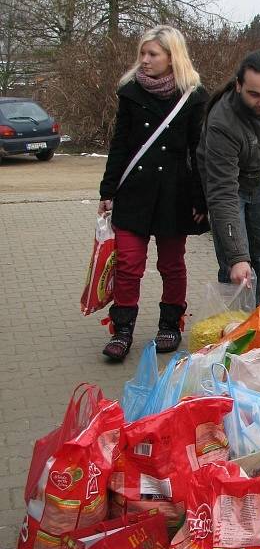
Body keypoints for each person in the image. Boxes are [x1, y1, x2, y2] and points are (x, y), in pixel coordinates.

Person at [98, 25, 208, 361]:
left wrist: (201, 199)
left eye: (152, 54)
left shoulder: (193, 96)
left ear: (171, 57)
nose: (144, 60)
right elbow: (120, 145)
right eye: (142, 54)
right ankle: (123, 330)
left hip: (174, 194)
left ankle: (170, 323)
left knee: (172, 264)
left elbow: (198, 150)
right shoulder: (131, 92)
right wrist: (107, 189)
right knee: (129, 264)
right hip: (134, 191)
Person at [196, 50, 260, 304]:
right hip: (229, 187)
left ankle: (252, 319)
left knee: (257, 256)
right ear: (238, 85)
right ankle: (233, 327)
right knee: (236, 264)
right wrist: (236, 256)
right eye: (254, 94)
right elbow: (223, 194)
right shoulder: (223, 121)